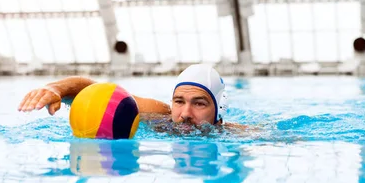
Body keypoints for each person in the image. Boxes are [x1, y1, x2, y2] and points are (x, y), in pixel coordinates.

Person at [18, 64, 247, 133]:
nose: (185, 114)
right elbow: (99, 91)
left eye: (199, 103)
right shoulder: (161, 116)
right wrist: (56, 88)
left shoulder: (236, 135)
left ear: (219, 111)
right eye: (179, 101)